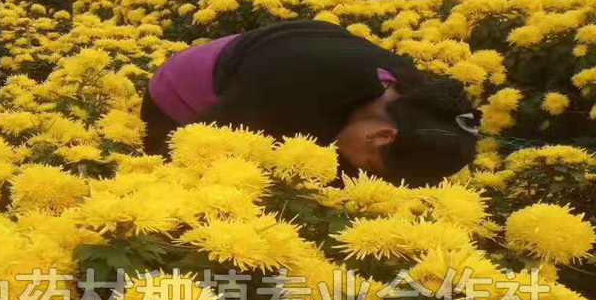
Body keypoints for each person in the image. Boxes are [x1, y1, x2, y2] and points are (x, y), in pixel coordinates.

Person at [140, 20, 479, 186]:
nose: (365, 175)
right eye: (371, 168)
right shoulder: (288, 94)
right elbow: (197, 144)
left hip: (286, 67)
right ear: (381, 135)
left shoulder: (411, 92)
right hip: (179, 97)